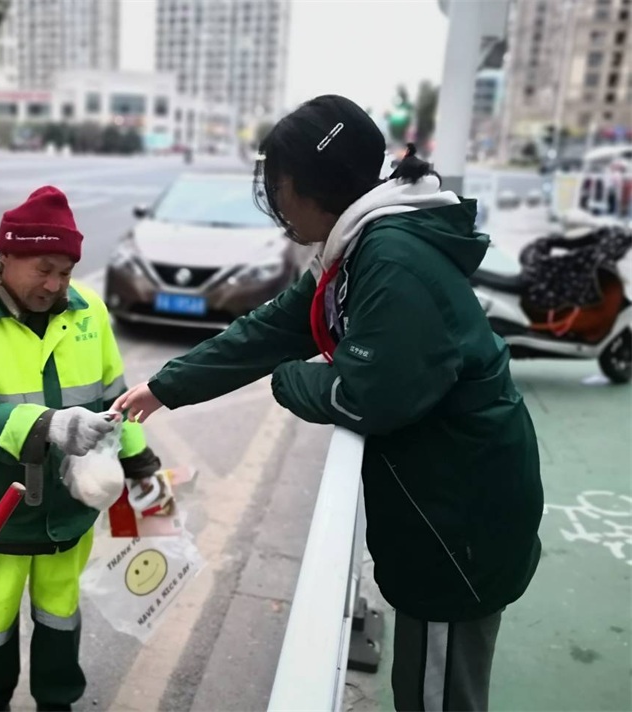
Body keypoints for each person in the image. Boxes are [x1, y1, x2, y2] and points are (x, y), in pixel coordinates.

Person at [115, 95, 544, 711]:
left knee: (440, 693)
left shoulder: (391, 259)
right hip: (444, 503)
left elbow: (369, 397)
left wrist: (292, 379)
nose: (275, 199)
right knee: (428, 682)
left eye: (279, 184)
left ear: (312, 186)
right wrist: (165, 387)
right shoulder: (358, 246)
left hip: (459, 519)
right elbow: (271, 327)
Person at [0, 186, 162, 711]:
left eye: (66, 272)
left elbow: (113, 394)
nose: (55, 284)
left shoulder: (88, 310)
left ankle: (58, 701)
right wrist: (50, 426)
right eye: (43, 269)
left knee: (60, 611)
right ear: (7, 255)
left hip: (70, 505)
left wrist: (139, 459)